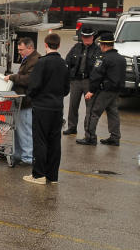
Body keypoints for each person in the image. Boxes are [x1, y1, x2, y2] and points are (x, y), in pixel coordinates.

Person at [25, 33, 69, 184]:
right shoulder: (63, 63)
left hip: (42, 107)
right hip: (57, 107)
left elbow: (34, 85)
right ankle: (52, 175)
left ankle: (39, 175)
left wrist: (30, 96)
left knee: (40, 141)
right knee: (54, 142)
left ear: (45, 45)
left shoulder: (42, 62)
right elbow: (66, 89)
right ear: (58, 45)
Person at [78, 32, 126, 146]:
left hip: (104, 90)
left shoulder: (103, 58)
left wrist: (91, 91)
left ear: (103, 45)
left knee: (93, 112)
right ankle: (115, 137)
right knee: (113, 112)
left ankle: (90, 137)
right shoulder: (121, 58)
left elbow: (96, 76)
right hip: (115, 91)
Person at [63, 27, 101, 136]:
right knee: (73, 105)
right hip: (76, 81)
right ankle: (72, 127)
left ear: (93, 37)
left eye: (88, 37)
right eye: (84, 37)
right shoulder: (76, 47)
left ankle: (88, 131)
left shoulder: (97, 50)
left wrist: (95, 83)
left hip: (89, 81)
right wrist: (69, 76)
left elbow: (99, 68)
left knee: (90, 108)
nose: (86, 39)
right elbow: (68, 61)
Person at [8, 38, 40, 165]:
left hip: (27, 101)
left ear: (30, 48)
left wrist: (12, 77)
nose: (19, 52)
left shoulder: (35, 60)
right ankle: (18, 154)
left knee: (25, 130)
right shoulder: (29, 58)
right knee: (18, 129)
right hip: (22, 101)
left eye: (21, 50)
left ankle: (27, 157)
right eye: (18, 50)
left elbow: (29, 79)